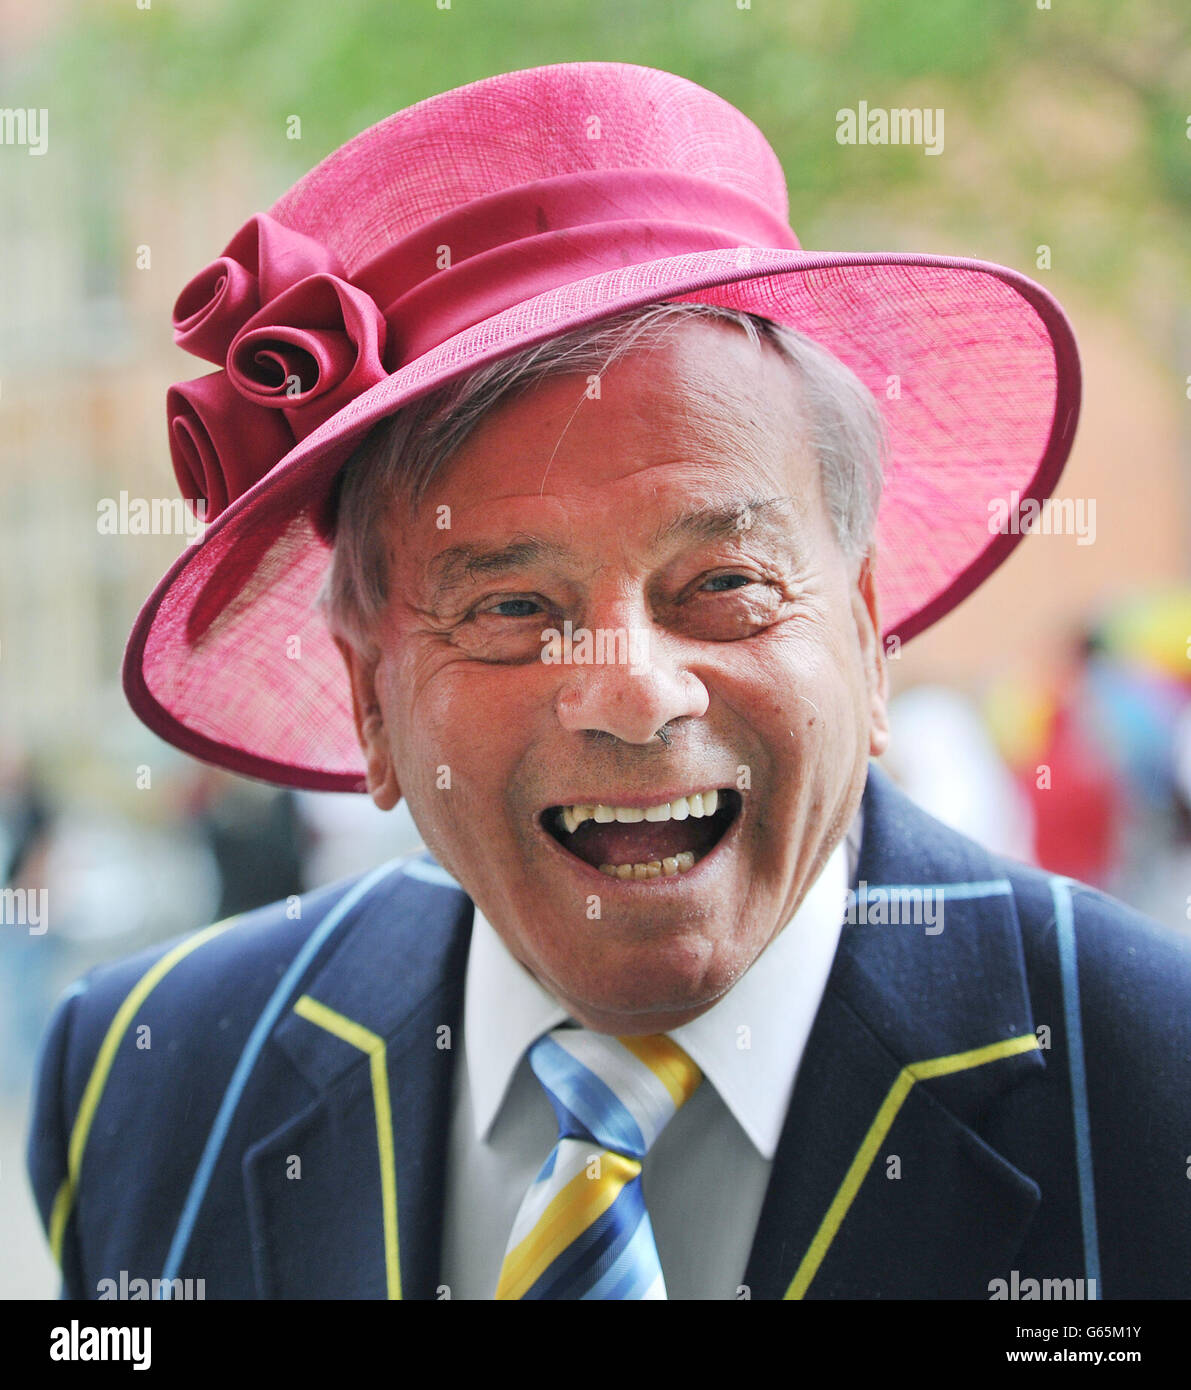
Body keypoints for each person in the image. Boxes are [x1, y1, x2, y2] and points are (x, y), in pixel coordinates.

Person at [26, 62, 1190, 1301]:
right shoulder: (143, 1082)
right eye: (514, 608)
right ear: (369, 697)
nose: (634, 692)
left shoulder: (1152, 1084)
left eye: (726, 584)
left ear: (864, 631)